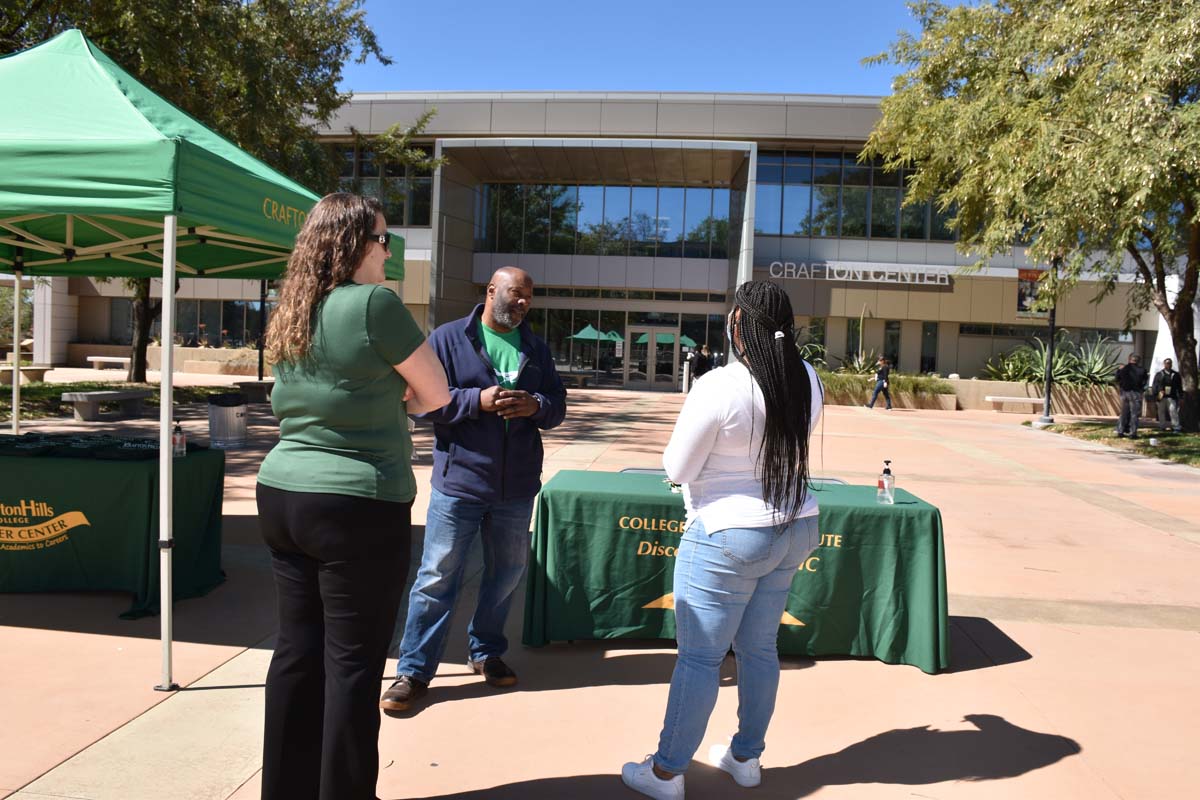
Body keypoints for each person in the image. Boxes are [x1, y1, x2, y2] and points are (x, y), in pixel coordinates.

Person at [254, 193, 450, 800]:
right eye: (385, 238)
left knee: (296, 651)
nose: (391, 250)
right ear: (355, 243)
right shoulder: (375, 304)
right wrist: (395, 397)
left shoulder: (293, 304)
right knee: (352, 666)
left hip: (282, 492)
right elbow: (437, 393)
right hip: (356, 502)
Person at [621, 281, 824, 799]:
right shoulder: (808, 379)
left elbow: (678, 467)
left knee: (701, 659)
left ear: (738, 323)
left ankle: (666, 772)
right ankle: (746, 757)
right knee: (759, 649)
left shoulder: (719, 385)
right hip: (794, 524)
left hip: (728, 533)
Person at [380, 266, 567, 712]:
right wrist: (475, 400)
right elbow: (422, 402)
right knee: (437, 577)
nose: (522, 303)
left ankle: (486, 653)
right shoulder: (447, 339)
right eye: (515, 294)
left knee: (505, 575)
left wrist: (534, 405)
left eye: (529, 296)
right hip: (460, 482)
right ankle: (414, 670)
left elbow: (557, 406)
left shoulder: (536, 348)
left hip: (516, 486)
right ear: (491, 291)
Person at [1115, 353, 1149, 438]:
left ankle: (1120, 431)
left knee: (1123, 413)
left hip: (1125, 392)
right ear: (1138, 361)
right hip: (1136, 393)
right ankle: (1132, 432)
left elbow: (1117, 379)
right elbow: (1144, 383)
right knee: (1134, 414)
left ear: (1129, 359)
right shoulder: (1142, 370)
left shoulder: (1123, 369)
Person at [1151, 357, 1183, 433]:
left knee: (1173, 411)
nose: (1168, 365)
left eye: (1169, 363)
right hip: (1161, 396)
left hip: (1171, 396)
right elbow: (1155, 385)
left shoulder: (1175, 374)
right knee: (1161, 411)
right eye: (1167, 363)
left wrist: (1181, 395)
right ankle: (1162, 426)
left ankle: (1176, 427)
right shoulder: (1159, 374)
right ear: (1164, 364)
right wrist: (1156, 394)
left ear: (1171, 364)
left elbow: (1179, 386)